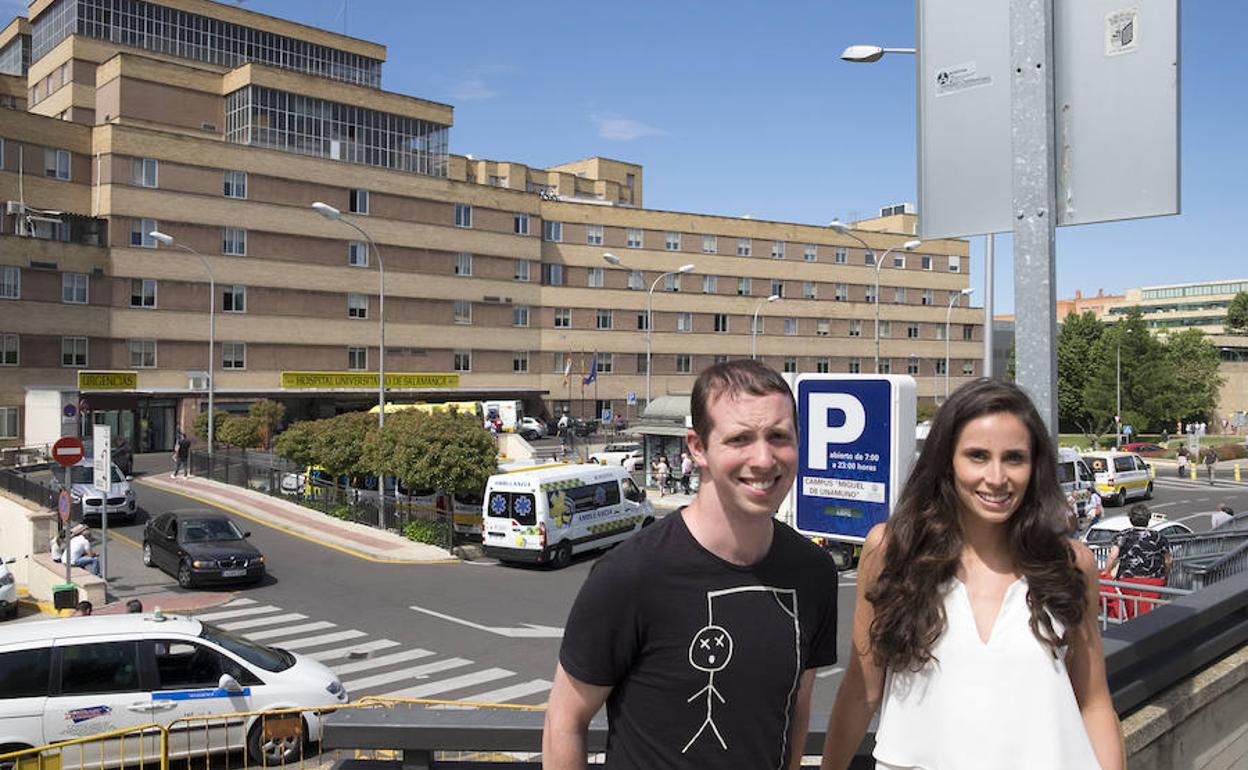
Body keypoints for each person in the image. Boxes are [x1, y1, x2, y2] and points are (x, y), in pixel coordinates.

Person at [543, 360, 839, 769]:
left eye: (778, 437)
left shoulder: (813, 572)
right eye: (739, 439)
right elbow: (565, 721)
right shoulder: (630, 575)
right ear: (697, 448)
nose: (764, 458)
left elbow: (795, 713)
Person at [822, 378, 1123, 770]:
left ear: (1035, 466)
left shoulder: (1069, 564)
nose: (996, 478)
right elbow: (862, 690)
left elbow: (1094, 701)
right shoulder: (892, 552)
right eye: (977, 456)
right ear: (946, 461)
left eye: (1014, 458)